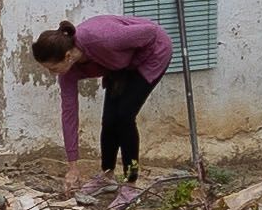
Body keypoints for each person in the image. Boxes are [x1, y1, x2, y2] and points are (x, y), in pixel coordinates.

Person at [29, 13, 172, 189]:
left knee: (124, 116)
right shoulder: (68, 73)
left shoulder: (103, 39)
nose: (52, 73)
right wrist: (72, 167)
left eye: (53, 68)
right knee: (109, 120)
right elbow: (69, 115)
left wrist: (128, 63)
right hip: (119, 65)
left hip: (152, 54)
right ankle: (107, 175)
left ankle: (130, 183)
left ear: (67, 56)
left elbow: (150, 32)